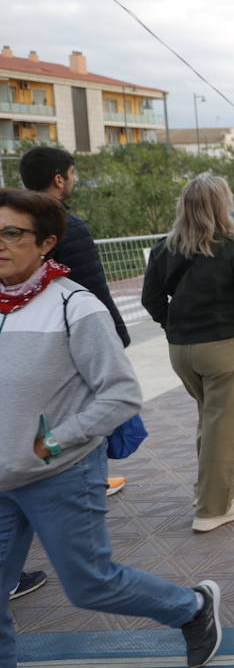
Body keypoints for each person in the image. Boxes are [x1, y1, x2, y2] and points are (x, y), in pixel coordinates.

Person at [0, 188, 223, 668]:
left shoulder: (75, 308)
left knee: (89, 585)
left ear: (46, 243)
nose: (0, 243)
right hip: (1, 481)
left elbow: (121, 396)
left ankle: (192, 607)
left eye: (12, 233)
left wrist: (54, 441)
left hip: (60, 473)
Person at [142, 174, 234, 533]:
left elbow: (150, 299)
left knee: (210, 421)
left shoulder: (164, 248)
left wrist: (172, 326)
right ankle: (213, 508)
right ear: (220, 205)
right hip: (225, 345)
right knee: (225, 427)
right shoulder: (233, 246)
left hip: (182, 350)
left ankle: (209, 494)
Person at [19, 147, 130, 502]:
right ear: (58, 179)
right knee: (81, 414)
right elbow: (93, 288)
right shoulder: (67, 226)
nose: (74, 180)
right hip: (67, 340)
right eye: (73, 173)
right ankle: (86, 482)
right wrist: (117, 337)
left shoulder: (12, 226)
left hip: (20, 338)